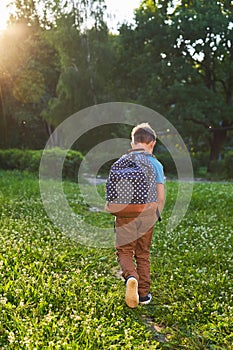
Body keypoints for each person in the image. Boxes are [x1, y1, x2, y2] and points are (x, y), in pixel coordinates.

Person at [106, 123, 165, 308]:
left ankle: (131, 277)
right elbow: (161, 196)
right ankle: (144, 294)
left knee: (124, 251)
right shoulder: (155, 164)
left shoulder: (122, 161)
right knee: (143, 253)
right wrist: (155, 214)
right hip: (147, 214)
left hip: (124, 214)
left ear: (133, 143)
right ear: (152, 143)